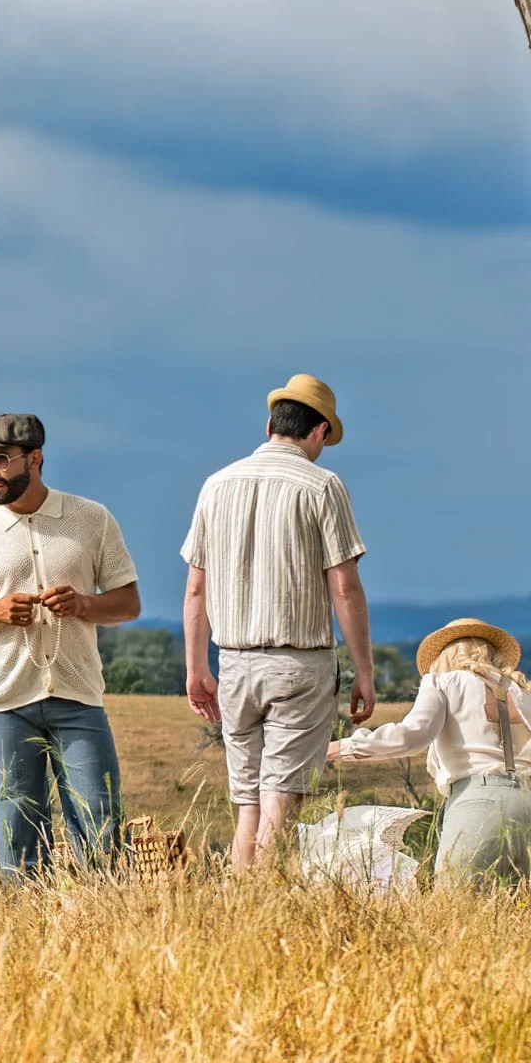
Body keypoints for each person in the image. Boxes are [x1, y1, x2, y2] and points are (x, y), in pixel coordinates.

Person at [0, 414, 140, 883]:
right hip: (4, 703)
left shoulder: (91, 519)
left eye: (1, 460)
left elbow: (128, 603)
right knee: (18, 838)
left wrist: (85, 603)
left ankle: (104, 933)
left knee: (101, 831)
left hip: (79, 696)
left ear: (35, 458)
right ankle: (25, 942)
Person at [181, 372, 375, 872]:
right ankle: (260, 910)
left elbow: (196, 589)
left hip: (233, 665)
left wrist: (196, 668)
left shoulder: (216, 484)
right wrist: (364, 672)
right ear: (319, 433)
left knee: (247, 802)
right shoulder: (322, 486)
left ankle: (236, 905)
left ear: (270, 424)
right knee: (280, 802)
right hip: (298, 664)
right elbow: (345, 587)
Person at [328, 620, 531, 888]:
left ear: (444, 656)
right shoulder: (527, 697)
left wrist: (342, 747)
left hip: (478, 801)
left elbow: (413, 735)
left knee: (457, 909)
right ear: (492, 654)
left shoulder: (441, 682)